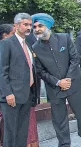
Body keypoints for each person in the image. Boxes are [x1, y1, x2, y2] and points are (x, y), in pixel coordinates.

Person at [30, 13, 81, 147]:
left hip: (74, 83)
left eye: (40, 26)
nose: (37, 29)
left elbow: (75, 59)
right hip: (54, 87)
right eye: (34, 27)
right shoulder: (35, 47)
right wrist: (58, 82)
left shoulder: (64, 38)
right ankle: (64, 143)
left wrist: (68, 79)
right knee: (59, 118)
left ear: (47, 26)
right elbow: (40, 71)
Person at [0, 13, 40, 147]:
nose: (29, 27)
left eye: (30, 25)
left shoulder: (27, 44)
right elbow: (2, 71)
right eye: (25, 24)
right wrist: (8, 93)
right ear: (16, 25)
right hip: (12, 96)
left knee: (23, 132)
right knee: (11, 133)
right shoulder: (6, 43)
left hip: (27, 94)